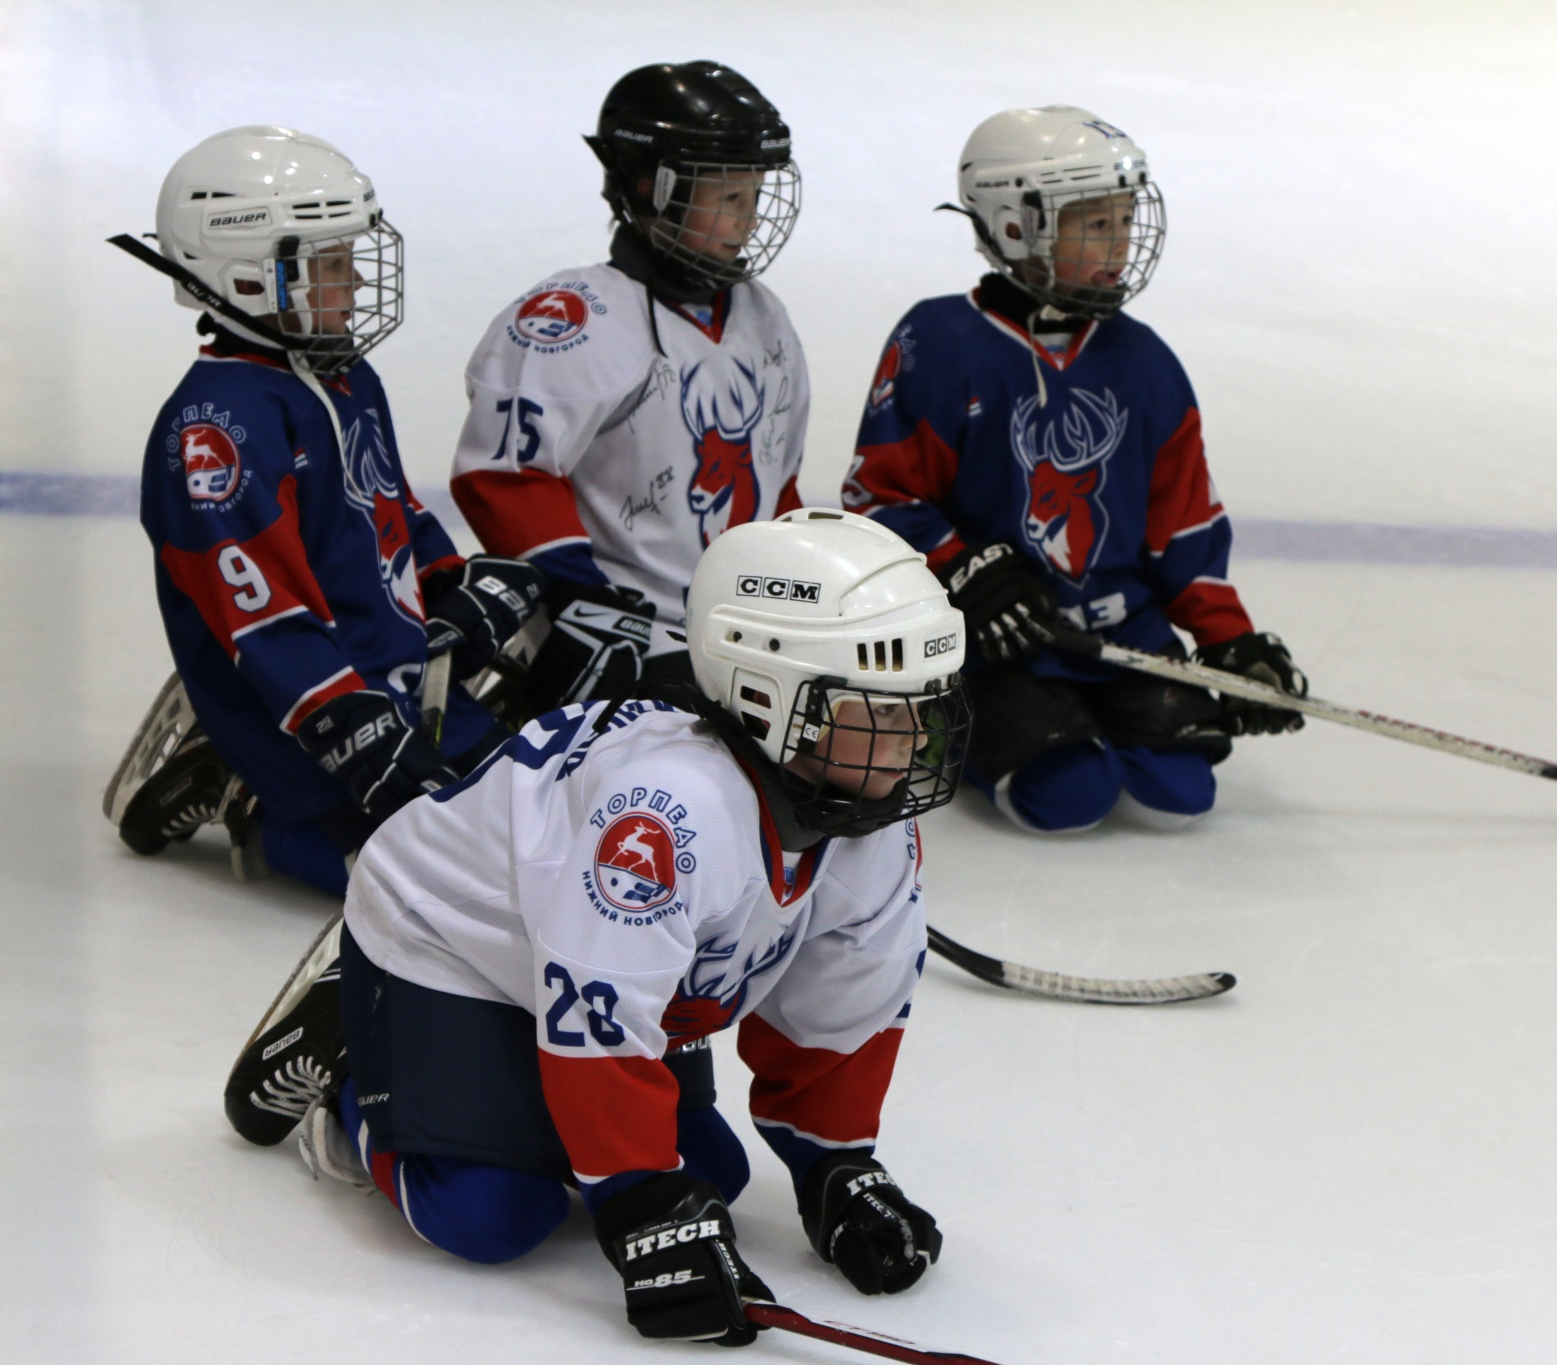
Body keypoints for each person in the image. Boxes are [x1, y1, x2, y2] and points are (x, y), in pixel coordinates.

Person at [222, 510, 968, 1346]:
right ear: (769, 697)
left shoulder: (870, 825)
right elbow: (597, 1026)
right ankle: (351, 1074)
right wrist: (639, 1200)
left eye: (924, 708)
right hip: (447, 942)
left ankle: (468, 1088)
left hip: (564, 951)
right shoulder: (664, 817)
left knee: (711, 1176)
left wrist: (834, 1166)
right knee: (492, 1214)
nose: (914, 742)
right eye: (880, 711)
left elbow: (843, 1009)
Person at [841, 105, 1308, 835]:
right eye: (1096, 224)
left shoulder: (1145, 360)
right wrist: (967, 570)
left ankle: (1084, 717)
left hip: (1123, 639)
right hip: (1004, 644)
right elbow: (879, 499)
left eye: (1125, 221)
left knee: (1181, 793)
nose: (1121, 245)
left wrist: (1229, 640)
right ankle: (944, 712)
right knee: (1066, 797)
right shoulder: (939, 341)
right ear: (1015, 225)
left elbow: (1182, 522)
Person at [105, 126, 541, 895]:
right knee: (446, 893)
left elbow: (385, 504)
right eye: (332, 265)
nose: (357, 284)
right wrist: (344, 723)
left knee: (546, 817)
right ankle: (242, 788)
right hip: (309, 733)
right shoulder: (216, 429)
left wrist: (449, 581)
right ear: (248, 276)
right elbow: (259, 616)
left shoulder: (342, 375)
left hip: (398, 687)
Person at [449, 61, 809, 720]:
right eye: (729, 199)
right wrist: (583, 603)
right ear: (652, 190)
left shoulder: (765, 318)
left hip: (742, 627)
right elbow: (506, 476)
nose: (748, 221)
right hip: (617, 627)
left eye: (754, 197)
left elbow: (775, 480)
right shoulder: (575, 318)